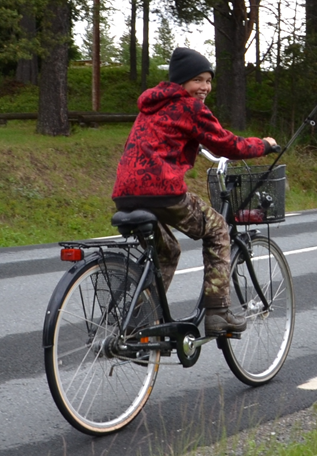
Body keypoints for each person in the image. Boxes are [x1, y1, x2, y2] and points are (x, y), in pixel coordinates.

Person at [112, 47, 280, 335]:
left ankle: (138, 323)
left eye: (208, 80)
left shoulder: (150, 107)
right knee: (217, 230)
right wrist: (263, 144)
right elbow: (229, 145)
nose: (204, 87)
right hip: (162, 191)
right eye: (197, 80)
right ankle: (218, 312)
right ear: (181, 82)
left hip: (126, 194)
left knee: (168, 251)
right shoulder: (189, 107)